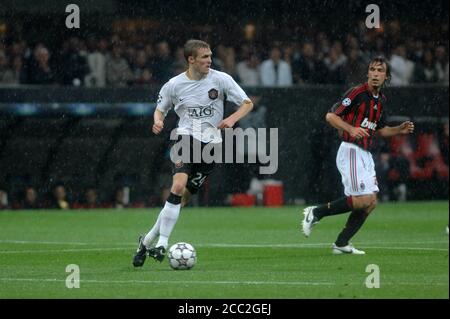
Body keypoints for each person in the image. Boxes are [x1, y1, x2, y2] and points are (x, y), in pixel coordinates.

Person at [132, 39, 253, 267]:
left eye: (210, 56)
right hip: (185, 137)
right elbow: (160, 110)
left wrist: (231, 118)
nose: (210, 60)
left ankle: (146, 241)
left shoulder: (222, 79)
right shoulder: (174, 85)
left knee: (181, 200)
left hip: (211, 146)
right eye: (205, 57)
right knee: (177, 186)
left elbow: (247, 103)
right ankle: (162, 244)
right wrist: (158, 122)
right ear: (191, 59)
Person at [301, 56, 414, 255]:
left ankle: (341, 243)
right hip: (351, 149)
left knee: (371, 203)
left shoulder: (382, 101)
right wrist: (351, 129)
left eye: (380, 71)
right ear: (368, 73)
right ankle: (316, 212)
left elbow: (379, 130)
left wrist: (399, 130)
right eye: (372, 69)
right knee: (362, 200)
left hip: (365, 153)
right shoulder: (357, 93)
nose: (375, 74)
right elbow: (331, 116)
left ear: (386, 76)